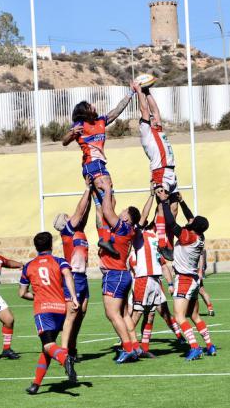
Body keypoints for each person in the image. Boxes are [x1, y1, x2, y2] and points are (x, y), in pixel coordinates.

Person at [97, 181, 154, 364]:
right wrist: (151, 195)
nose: (120, 212)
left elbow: (107, 211)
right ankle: (135, 345)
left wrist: (107, 190)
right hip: (123, 275)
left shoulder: (123, 227)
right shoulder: (132, 229)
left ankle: (128, 348)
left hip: (114, 274)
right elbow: (143, 216)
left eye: (123, 212)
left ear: (127, 218)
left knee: (112, 314)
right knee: (123, 314)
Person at [157, 188, 214, 361]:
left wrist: (165, 202)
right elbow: (190, 218)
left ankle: (195, 347)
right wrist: (181, 202)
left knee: (179, 316)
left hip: (184, 279)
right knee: (194, 315)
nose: (191, 220)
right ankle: (210, 346)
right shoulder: (199, 236)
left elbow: (171, 224)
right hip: (194, 280)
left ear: (193, 226)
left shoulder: (188, 236)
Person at [19, 232, 79, 395]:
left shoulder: (29, 266)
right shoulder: (60, 261)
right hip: (60, 308)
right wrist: (73, 297)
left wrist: (36, 296)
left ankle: (64, 358)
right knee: (46, 348)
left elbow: (22, 293)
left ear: (36, 247)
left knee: (48, 345)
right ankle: (35, 384)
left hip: (43, 310)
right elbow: (68, 276)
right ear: (51, 245)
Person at [61, 92, 135, 222]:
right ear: (85, 112)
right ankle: (111, 234)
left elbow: (116, 111)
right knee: (110, 201)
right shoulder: (80, 125)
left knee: (101, 206)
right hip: (93, 165)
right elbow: (64, 141)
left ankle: (103, 237)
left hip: (97, 165)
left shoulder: (101, 121)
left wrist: (131, 93)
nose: (93, 106)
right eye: (89, 106)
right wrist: (71, 133)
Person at [134, 81, 179, 261]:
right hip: (160, 171)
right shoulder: (146, 133)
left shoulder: (157, 129)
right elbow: (145, 111)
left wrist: (148, 91)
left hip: (171, 172)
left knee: (174, 208)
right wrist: (139, 92)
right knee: (162, 205)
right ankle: (162, 244)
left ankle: (166, 238)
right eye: (150, 119)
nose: (153, 118)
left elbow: (156, 111)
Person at [53, 183, 92, 363]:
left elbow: (84, 212)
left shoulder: (79, 231)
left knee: (81, 314)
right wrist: (86, 189)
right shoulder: (68, 231)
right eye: (68, 217)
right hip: (74, 276)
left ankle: (72, 347)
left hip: (82, 277)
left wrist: (91, 195)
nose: (73, 217)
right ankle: (64, 352)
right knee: (72, 314)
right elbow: (79, 210)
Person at [126, 219, 177, 358]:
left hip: (154, 280)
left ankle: (144, 348)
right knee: (136, 314)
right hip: (142, 280)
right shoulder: (141, 235)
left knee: (151, 315)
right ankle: (127, 346)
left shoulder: (156, 239)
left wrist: (170, 284)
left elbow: (163, 264)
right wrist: (154, 197)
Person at [197, 250, 215, 316]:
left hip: (190, 271)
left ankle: (190, 311)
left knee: (189, 293)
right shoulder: (197, 245)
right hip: (196, 270)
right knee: (202, 291)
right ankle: (210, 309)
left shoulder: (188, 245)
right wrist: (201, 271)